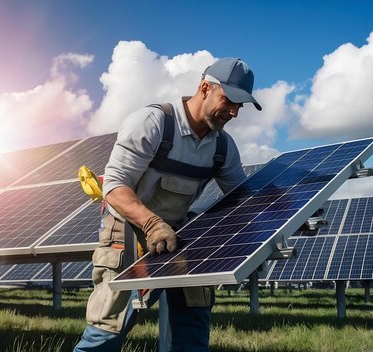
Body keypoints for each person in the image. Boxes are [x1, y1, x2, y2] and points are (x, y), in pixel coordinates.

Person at [74, 57, 262, 352]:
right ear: (204, 88)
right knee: (107, 330)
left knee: (192, 326)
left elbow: (243, 197)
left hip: (180, 237)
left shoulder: (223, 147)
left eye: (241, 106)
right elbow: (113, 185)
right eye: (230, 101)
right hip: (128, 231)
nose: (235, 112)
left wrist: (286, 210)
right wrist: (151, 223)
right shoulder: (154, 122)